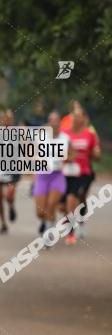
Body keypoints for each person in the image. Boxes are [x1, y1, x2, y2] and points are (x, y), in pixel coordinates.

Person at [63, 104, 101, 244]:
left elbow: (96, 153)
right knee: (70, 200)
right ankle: (72, 225)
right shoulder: (64, 133)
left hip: (84, 173)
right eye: (74, 116)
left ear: (84, 119)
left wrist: (96, 154)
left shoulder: (90, 133)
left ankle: (78, 226)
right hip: (68, 173)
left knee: (79, 197)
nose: (76, 119)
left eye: (79, 116)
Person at [33, 111, 69, 241]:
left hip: (57, 175)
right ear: (48, 122)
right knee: (40, 212)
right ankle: (45, 222)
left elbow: (72, 155)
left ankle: (48, 235)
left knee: (51, 204)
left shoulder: (65, 138)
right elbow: (32, 153)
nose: (53, 123)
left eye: (56, 120)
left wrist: (64, 159)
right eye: (51, 120)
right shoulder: (40, 137)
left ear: (60, 122)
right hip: (42, 175)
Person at [0, 108, 19, 234]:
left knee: (9, 196)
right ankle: (3, 223)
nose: (6, 121)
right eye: (4, 118)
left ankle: (11, 206)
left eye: (9, 118)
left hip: (13, 169)